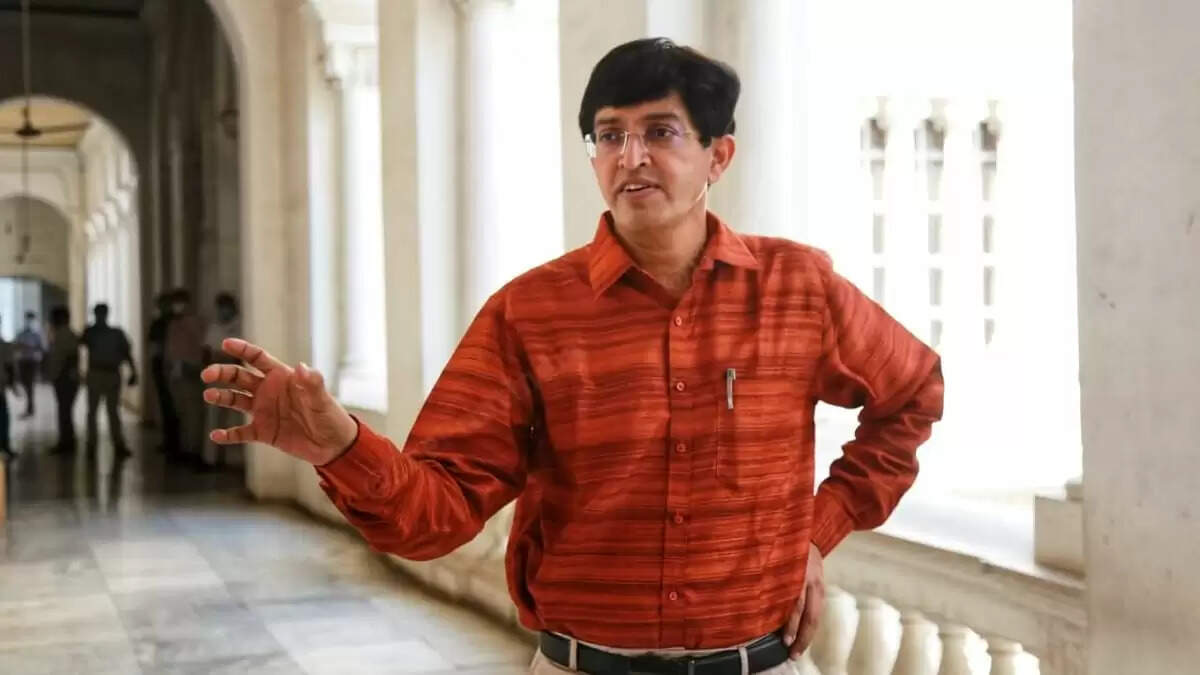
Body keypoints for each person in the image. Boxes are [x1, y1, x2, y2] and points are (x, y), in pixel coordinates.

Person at [202, 38, 943, 675]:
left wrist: (817, 530)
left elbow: (913, 391)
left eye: (660, 132)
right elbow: (436, 516)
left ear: (718, 155)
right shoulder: (530, 314)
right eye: (608, 135)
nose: (631, 157)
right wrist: (340, 446)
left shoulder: (797, 289)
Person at [80, 304, 137, 457]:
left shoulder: (116, 333)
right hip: (97, 373)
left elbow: (126, 353)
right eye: (98, 313)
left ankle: (118, 444)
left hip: (111, 373)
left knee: (112, 411)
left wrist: (134, 372)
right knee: (93, 411)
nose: (100, 316)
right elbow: (79, 344)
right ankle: (92, 444)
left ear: (106, 314)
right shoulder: (90, 332)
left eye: (102, 313)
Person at [164, 288, 207, 466]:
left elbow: (202, 347)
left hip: (191, 372)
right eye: (175, 303)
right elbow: (170, 350)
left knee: (193, 415)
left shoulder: (195, 322)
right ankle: (184, 449)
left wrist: (195, 367)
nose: (176, 306)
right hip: (176, 375)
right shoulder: (173, 325)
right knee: (181, 413)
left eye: (179, 302)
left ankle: (194, 452)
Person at [202, 292, 241, 467]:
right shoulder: (214, 327)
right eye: (221, 307)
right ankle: (212, 459)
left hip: (236, 378)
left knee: (234, 420)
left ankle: (233, 461)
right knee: (214, 418)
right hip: (216, 377)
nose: (223, 311)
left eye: (226, 307)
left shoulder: (240, 326)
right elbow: (207, 352)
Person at [146, 292, 180, 455]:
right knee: (166, 405)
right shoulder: (159, 323)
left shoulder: (176, 322)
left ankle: (176, 442)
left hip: (172, 365)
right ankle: (171, 441)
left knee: (175, 405)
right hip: (162, 365)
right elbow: (154, 346)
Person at [45, 306, 80, 455]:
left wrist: (61, 375)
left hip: (66, 379)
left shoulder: (65, 334)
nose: (51, 321)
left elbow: (71, 357)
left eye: (53, 318)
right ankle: (67, 441)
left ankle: (66, 443)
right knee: (64, 411)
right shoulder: (60, 334)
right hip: (63, 377)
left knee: (64, 411)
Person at [14, 311, 44, 418]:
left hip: (32, 361)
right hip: (22, 361)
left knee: (30, 384)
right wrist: (22, 346)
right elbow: (16, 346)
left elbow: (41, 348)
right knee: (24, 383)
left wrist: (32, 347)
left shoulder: (36, 334)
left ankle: (30, 408)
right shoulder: (20, 334)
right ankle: (30, 406)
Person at [0, 315, 19, 460]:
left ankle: (4, 445)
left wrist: (12, 384)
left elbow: (9, 367)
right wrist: (12, 385)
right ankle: (4, 445)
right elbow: (9, 367)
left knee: (3, 417)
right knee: (3, 417)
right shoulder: (4, 345)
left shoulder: (4, 345)